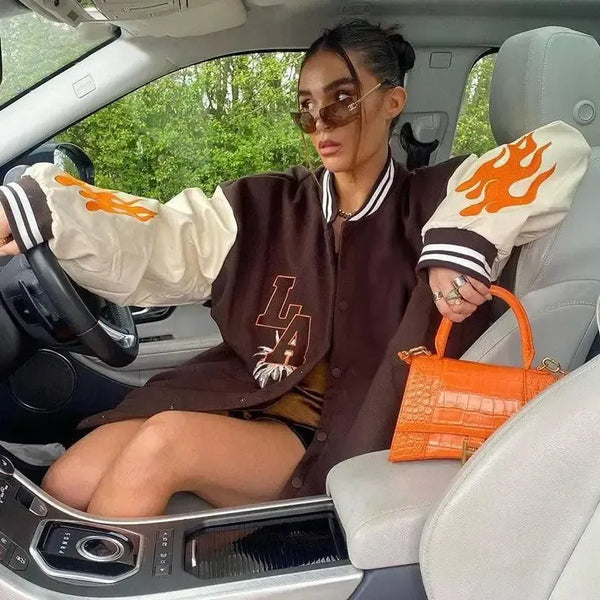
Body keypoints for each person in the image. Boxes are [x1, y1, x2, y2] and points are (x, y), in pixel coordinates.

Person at [0, 20, 589, 517]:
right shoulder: (269, 203)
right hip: (244, 393)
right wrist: (42, 210)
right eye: (306, 107)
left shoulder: (438, 197)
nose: (321, 123)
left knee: (164, 444)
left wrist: (455, 248)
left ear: (392, 102)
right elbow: (164, 235)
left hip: (343, 430)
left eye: (341, 99)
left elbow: (556, 149)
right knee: (70, 478)